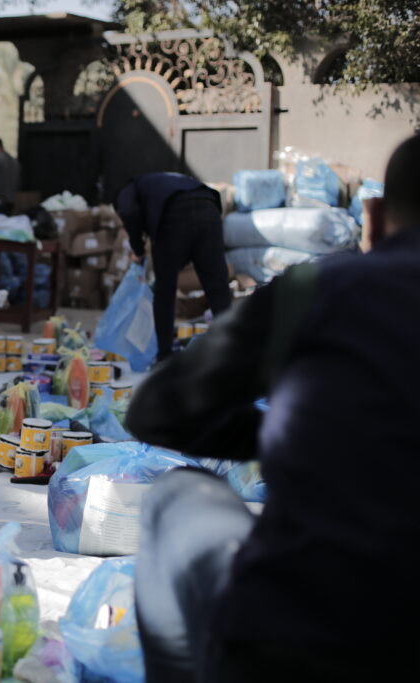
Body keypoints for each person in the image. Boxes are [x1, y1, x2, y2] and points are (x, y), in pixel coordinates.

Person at [126, 133, 420, 682]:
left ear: (374, 219)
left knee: (175, 493)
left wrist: (301, 434)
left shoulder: (321, 288)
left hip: (293, 640)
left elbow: (156, 410)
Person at [114, 172, 232, 361]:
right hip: (209, 209)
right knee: (218, 289)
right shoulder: (162, 182)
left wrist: (138, 247)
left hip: (174, 215)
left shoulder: (130, 188)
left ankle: (165, 356)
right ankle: (231, 353)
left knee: (165, 290)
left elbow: (128, 210)